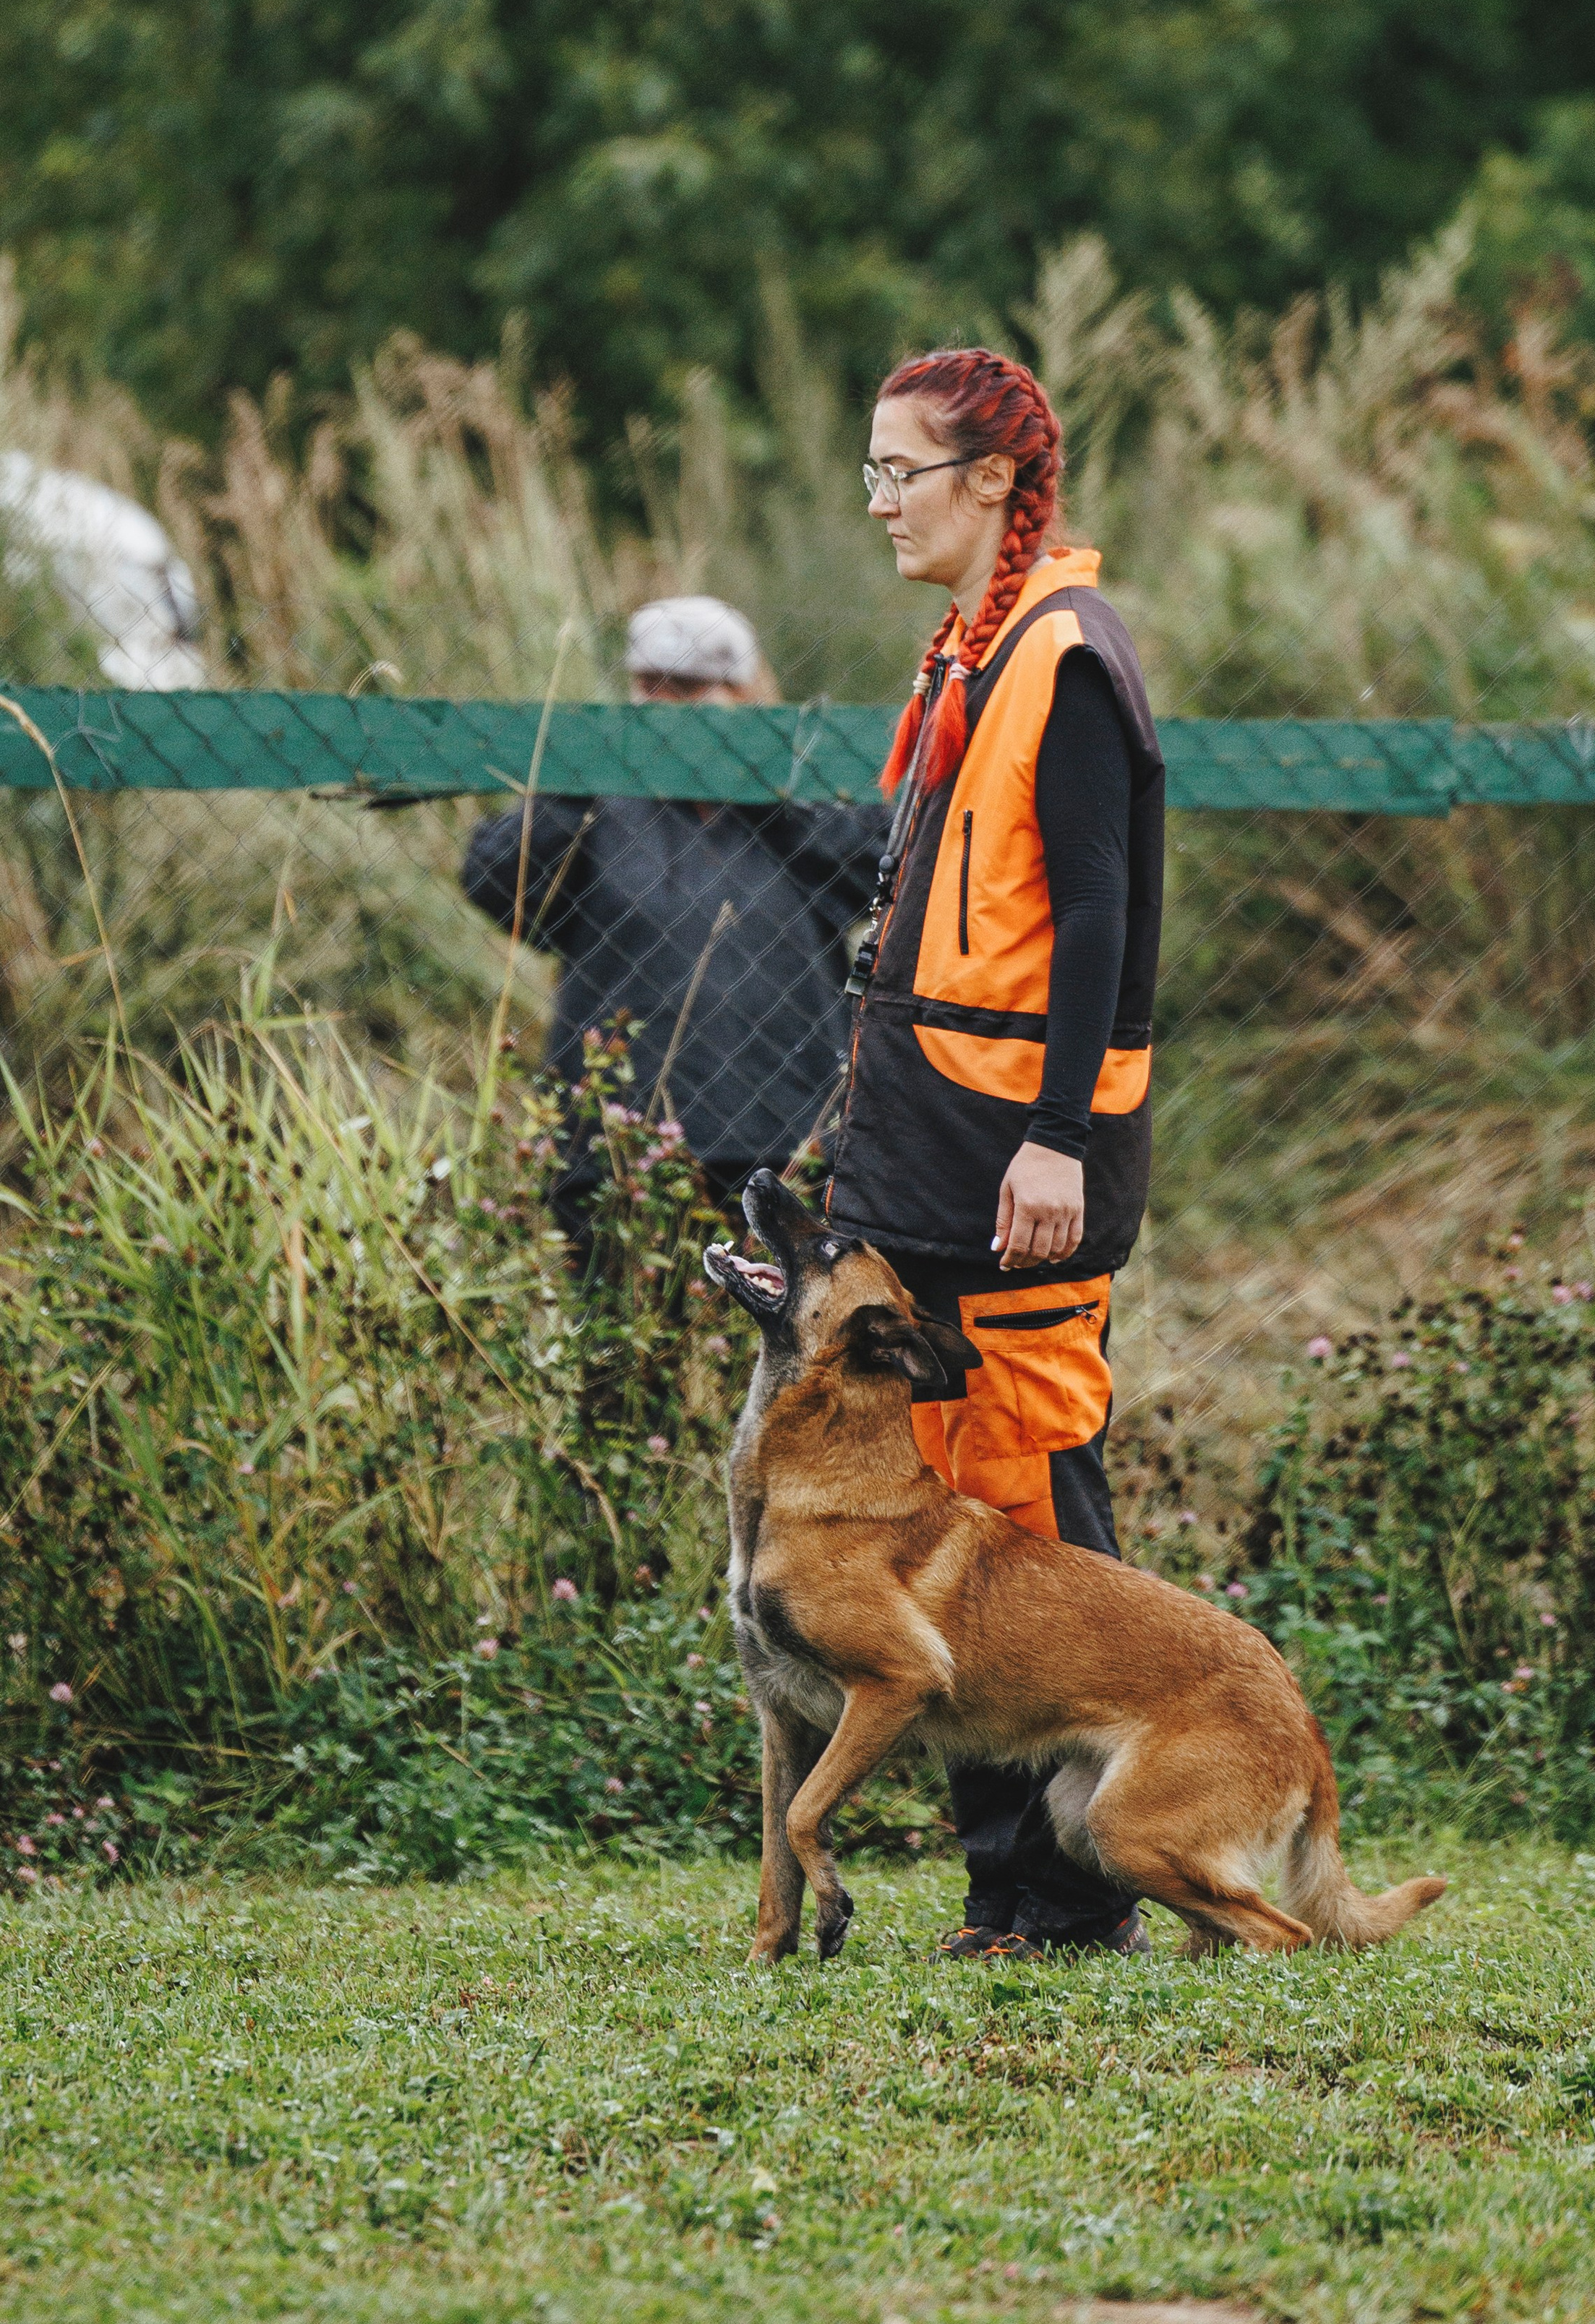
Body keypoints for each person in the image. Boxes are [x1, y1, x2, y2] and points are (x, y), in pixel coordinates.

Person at [825, 348, 1166, 1963]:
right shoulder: (972, 650)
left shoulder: (1066, 657)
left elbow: (1102, 916)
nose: (878, 500)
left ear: (989, 484)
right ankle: (1002, 1894)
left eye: (900, 470)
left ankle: (1078, 1891)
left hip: (1015, 1164)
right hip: (926, 1149)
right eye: (874, 470)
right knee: (943, 1523)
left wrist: (1057, 1144)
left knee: (1035, 1524)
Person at [463, 594, 888, 1266]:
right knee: (616, 1343)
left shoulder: (797, 799)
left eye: (686, 689)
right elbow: (493, 882)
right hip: (618, 1136)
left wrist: (766, 781)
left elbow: (880, 873)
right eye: (647, 685)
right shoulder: (603, 805)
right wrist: (581, 775)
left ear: (742, 694)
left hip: (784, 1130)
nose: (663, 706)